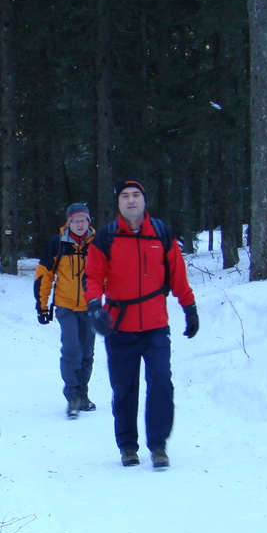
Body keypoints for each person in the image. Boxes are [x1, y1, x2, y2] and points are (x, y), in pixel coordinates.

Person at [84, 178, 199, 468]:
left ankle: (158, 446)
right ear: (119, 203)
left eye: (136, 195)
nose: (131, 200)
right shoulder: (107, 237)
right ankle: (127, 446)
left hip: (155, 326)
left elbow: (178, 277)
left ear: (144, 200)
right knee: (124, 389)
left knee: (161, 383)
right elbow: (93, 276)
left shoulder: (161, 234)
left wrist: (190, 307)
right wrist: (95, 306)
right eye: (125, 196)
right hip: (119, 327)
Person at [34, 203, 97, 419]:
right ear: (68, 222)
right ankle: (72, 397)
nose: (79, 224)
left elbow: (109, 274)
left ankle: (83, 394)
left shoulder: (98, 244)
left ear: (89, 222)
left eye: (83, 220)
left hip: (91, 306)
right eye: (75, 220)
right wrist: (42, 305)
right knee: (72, 350)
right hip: (66, 306)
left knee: (87, 352)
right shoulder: (57, 243)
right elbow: (44, 275)